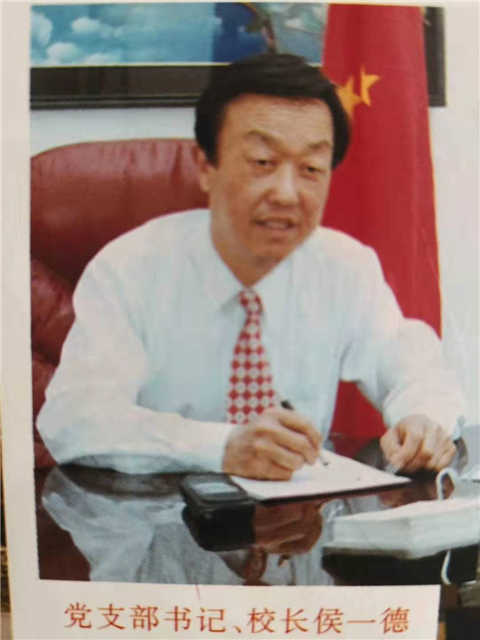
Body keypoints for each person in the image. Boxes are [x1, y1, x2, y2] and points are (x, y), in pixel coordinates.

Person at [37, 53, 465, 479]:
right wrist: (220, 447)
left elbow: (409, 360)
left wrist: (422, 418)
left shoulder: (343, 267)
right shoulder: (130, 269)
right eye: (263, 162)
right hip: (158, 512)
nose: (286, 194)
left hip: (298, 515)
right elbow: (73, 419)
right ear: (207, 167)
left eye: (311, 168)